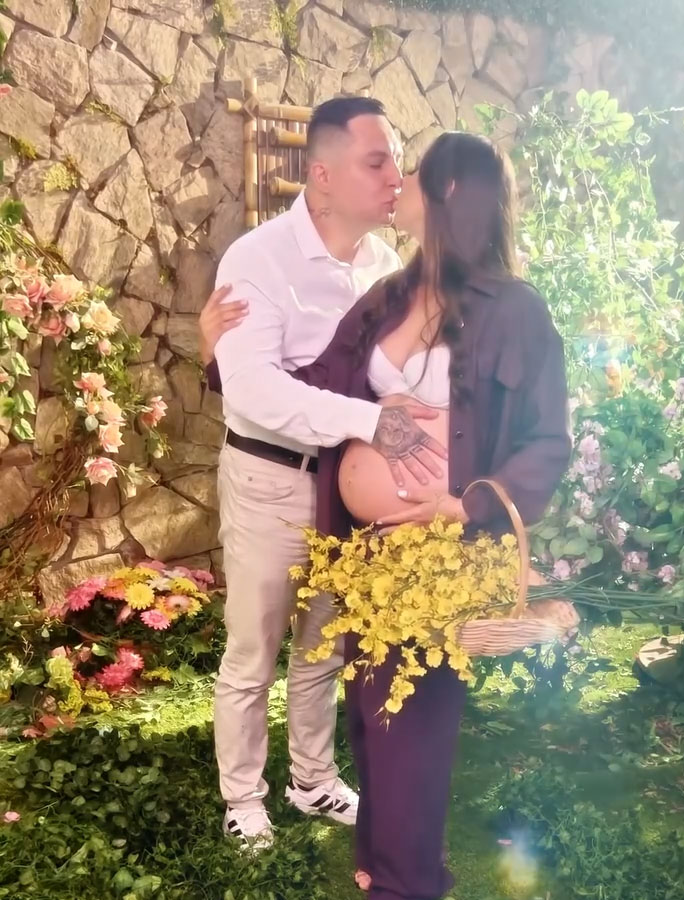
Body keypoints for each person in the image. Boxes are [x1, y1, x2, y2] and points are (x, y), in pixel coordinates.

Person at [203, 131, 572, 897]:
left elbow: (546, 440)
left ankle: (408, 882)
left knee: (414, 728)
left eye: (414, 173)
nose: (398, 184)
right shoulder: (390, 295)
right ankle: (381, 859)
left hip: (445, 551)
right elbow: (313, 380)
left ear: (448, 194)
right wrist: (221, 358)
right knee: (372, 717)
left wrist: (465, 506)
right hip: (367, 550)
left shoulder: (517, 310)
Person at [208, 95, 447, 852]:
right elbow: (253, 389)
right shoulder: (257, 260)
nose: (394, 177)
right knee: (254, 651)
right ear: (321, 175)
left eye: (397, 163)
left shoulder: (386, 268)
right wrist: (372, 422)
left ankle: (311, 780)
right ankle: (242, 797)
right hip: (269, 479)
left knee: (323, 644)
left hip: (345, 486)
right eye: (377, 162)